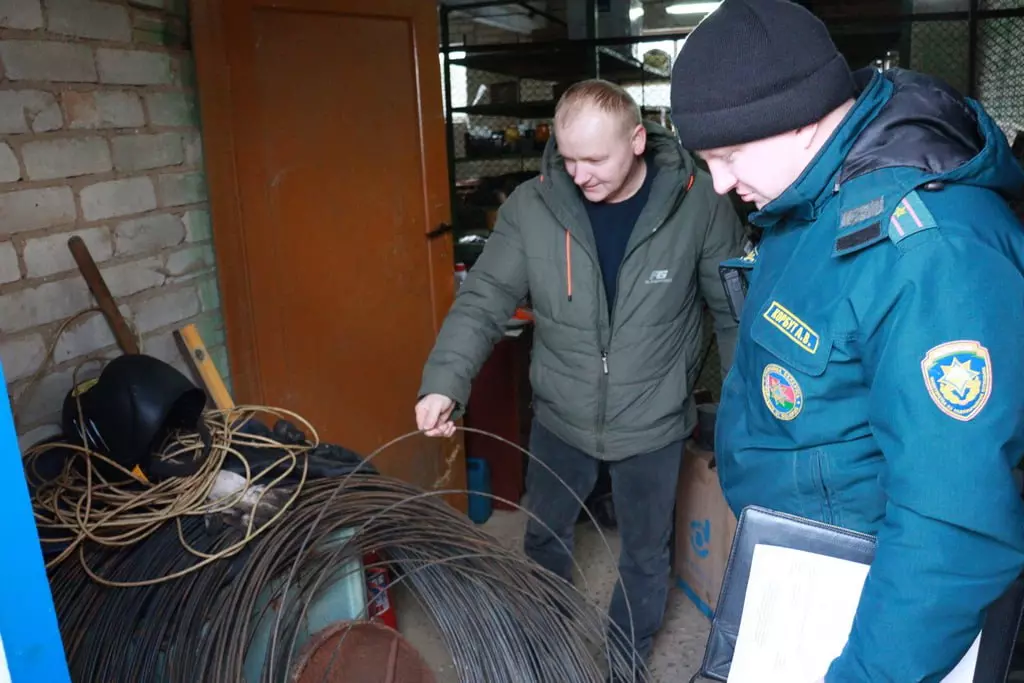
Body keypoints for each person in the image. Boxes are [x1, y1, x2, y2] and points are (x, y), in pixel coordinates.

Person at [669, 1, 1024, 681]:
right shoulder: (810, 196)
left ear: (802, 116)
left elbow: (951, 525)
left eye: (729, 154)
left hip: (876, 611)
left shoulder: (931, 251)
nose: (718, 182)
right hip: (800, 572)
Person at [415, 79, 744, 669]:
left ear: (638, 140)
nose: (580, 174)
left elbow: (731, 312)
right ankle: (548, 649)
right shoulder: (532, 206)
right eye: (568, 159)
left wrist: (747, 414)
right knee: (543, 535)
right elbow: (484, 298)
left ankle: (624, 662)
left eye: (595, 159)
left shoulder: (698, 204)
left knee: (646, 554)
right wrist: (445, 380)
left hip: (653, 416)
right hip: (561, 415)